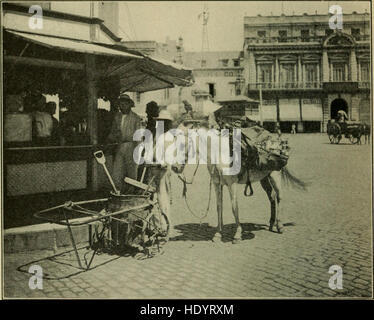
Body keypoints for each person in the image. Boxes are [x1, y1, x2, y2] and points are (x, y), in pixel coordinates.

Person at [107, 93, 142, 194]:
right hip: (120, 146)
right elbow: (113, 132)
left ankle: (131, 194)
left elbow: (138, 135)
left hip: (132, 145)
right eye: (120, 104)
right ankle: (117, 192)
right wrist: (109, 140)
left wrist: (137, 151)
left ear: (129, 105)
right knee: (117, 172)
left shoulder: (136, 118)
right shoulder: (117, 117)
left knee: (131, 172)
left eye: (124, 104)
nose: (122, 106)